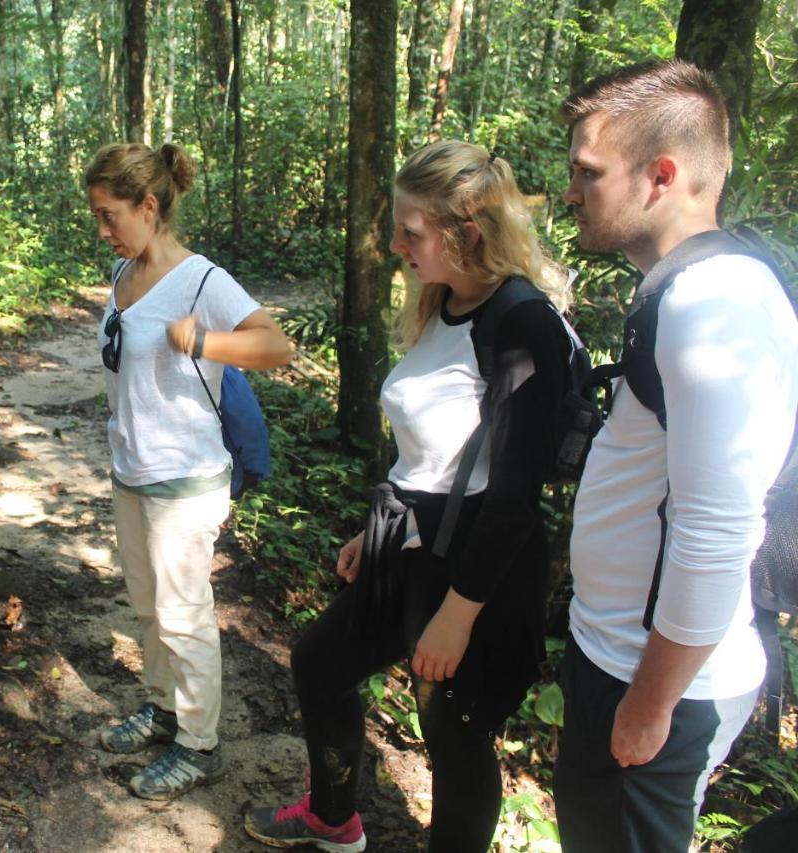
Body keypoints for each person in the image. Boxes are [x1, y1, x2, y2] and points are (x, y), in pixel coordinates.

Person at [246, 140, 576, 853]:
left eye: (411, 231)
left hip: (475, 564)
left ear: (468, 233)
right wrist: (377, 529)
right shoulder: (444, 301)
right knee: (320, 663)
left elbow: (516, 493)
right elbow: (435, 446)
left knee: (454, 735)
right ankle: (333, 816)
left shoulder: (522, 324)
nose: (396, 244)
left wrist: (459, 613)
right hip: (408, 541)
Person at [553, 60, 798, 851]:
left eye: (586, 172)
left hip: (653, 676)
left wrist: (651, 701)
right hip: (620, 653)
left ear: (661, 175)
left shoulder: (710, 304)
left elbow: (720, 527)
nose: (569, 191)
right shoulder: (685, 285)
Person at [84, 142, 292, 800]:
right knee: (148, 608)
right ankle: (163, 707)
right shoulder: (121, 273)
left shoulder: (202, 280)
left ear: (150, 205)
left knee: (183, 613)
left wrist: (204, 340)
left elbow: (275, 345)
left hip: (187, 479)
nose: (103, 229)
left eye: (110, 214)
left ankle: (199, 742)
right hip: (131, 471)